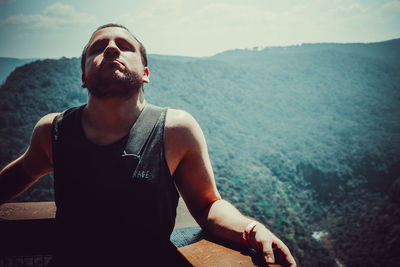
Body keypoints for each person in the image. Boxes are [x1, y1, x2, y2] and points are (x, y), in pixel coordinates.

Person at [0, 23, 297, 266]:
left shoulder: (176, 130)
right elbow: (20, 174)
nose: (112, 48)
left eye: (124, 46)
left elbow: (208, 205)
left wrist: (251, 229)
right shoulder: (54, 131)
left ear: (145, 73)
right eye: (98, 47)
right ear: (83, 77)